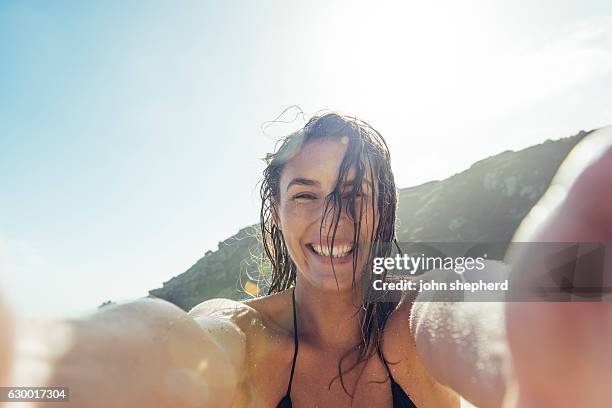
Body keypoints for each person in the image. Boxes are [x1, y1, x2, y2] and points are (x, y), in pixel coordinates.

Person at [1, 113, 611, 408]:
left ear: (384, 210)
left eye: (354, 195)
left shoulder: (410, 315)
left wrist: (527, 338)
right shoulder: (249, 337)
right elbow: (176, 341)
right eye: (305, 195)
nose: (331, 220)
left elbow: (462, 302)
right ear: (275, 211)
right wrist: (49, 368)